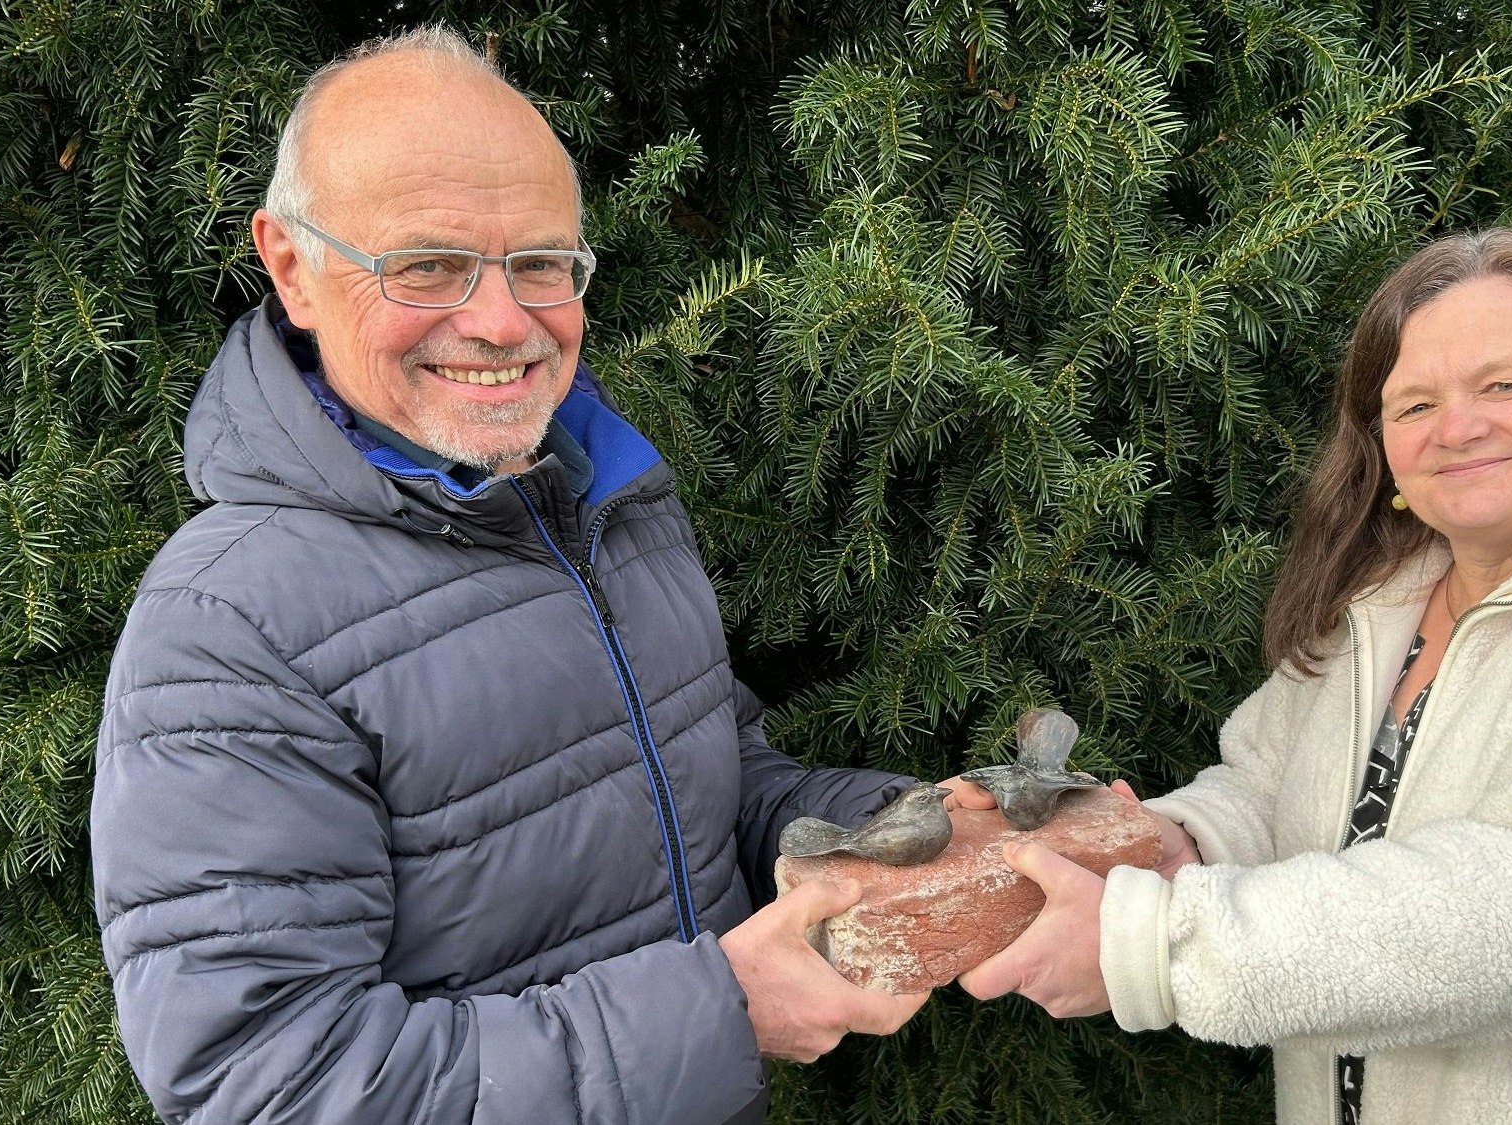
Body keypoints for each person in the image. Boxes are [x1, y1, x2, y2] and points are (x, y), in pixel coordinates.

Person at [90, 27, 967, 1125]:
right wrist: (721, 1014)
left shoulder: (600, 495)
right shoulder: (227, 627)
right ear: (291, 267)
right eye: (426, 265)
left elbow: (702, 780)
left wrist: (898, 828)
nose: (503, 322)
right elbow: (264, 1082)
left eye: (542, 263)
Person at [957, 229, 1512, 1124]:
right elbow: (1266, 784)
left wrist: (1154, 945)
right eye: (1414, 404)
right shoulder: (1382, 603)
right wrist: (1163, 846)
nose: (1458, 428)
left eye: (1504, 384)